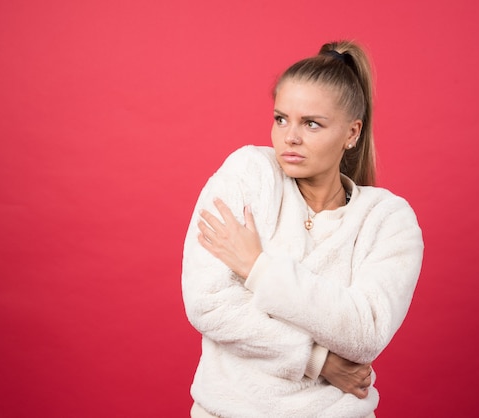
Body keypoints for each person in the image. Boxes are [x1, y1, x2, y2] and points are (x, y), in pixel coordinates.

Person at [181, 40, 424, 418]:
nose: (289, 137)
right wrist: (318, 359)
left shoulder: (387, 219)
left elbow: (364, 334)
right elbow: (209, 302)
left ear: (352, 133)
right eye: (281, 119)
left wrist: (257, 268)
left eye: (311, 123)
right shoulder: (249, 172)